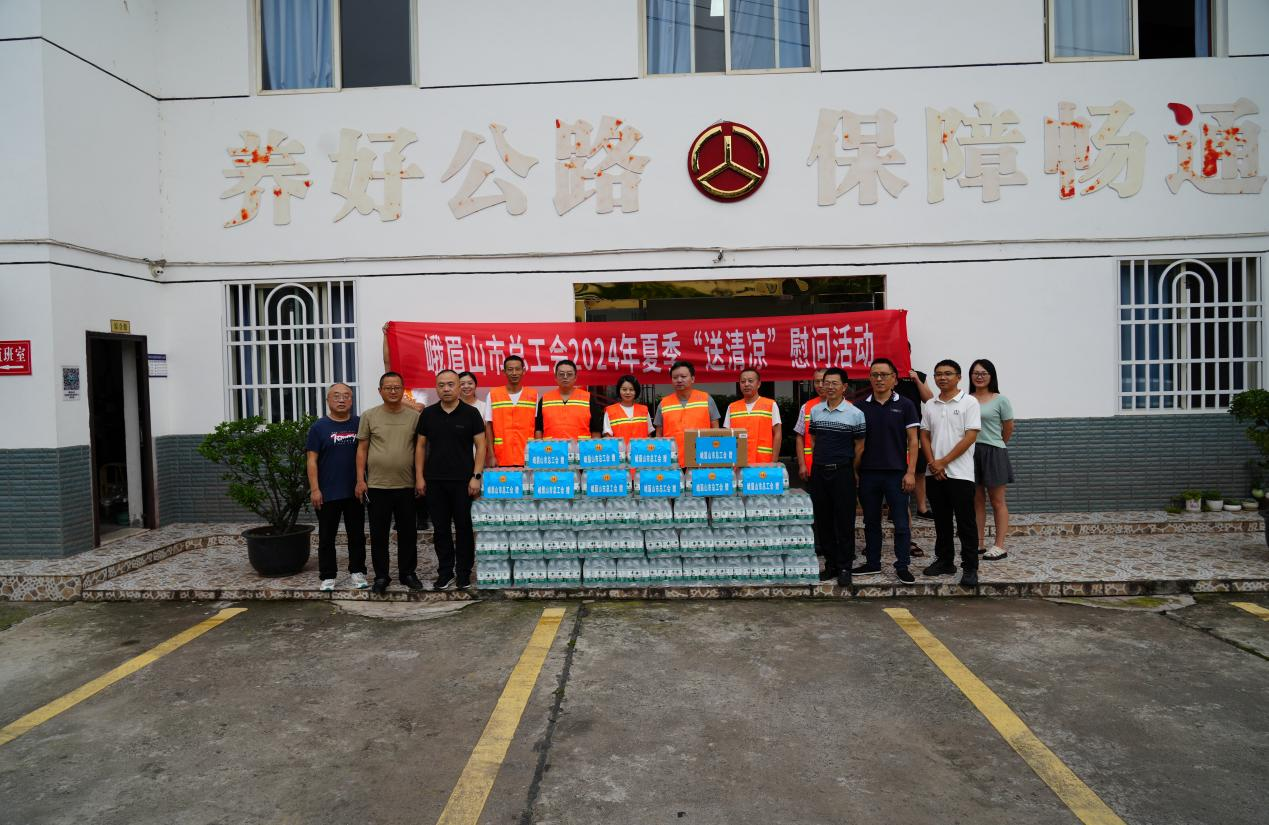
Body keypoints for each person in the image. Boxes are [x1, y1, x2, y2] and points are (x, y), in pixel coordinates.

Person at [415, 369, 487, 591]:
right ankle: (445, 572)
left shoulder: (471, 413)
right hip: (435, 481)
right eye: (441, 385)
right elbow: (420, 446)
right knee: (441, 529)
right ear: (436, 388)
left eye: (450, 384)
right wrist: (419, 477)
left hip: (463, 481)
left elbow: (481, 446)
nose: (446, 389)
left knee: (464, 528)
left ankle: (464, 573)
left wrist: (476, 477)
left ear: (458, 386)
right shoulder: (428, 414)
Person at [796, 367, 865, 587]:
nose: (830, 387)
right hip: (820, 471)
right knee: (823, 520)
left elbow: (860, 446)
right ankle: (831, 564)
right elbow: (814, 440)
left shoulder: (855, 413)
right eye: (827, 383)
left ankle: (845, 567)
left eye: (835, 383)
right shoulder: (816, 411)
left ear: (845, 387)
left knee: (844, 521)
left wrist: (851, 468)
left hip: (843, 472)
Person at [355, 371, 424, 595]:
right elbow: (362, 449)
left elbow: (420, 449)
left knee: (408, 534)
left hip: (406, 485)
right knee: (379, 535)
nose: (393, 391)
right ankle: (382, 576)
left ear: (403, 390)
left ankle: (408, 573)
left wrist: (419, 478)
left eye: (397, 387)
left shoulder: (414, 417)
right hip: (377, 486)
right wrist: (360, 480)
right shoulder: (369, 416)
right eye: (388, 388)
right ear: (380, 391)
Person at [854, 359, 919, 584]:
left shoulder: (906, 405)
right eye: (874, 375)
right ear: (869, 378)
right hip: (868, 474)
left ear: (894, 379)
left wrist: (911, 472)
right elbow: (857, 443)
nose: (879, 379)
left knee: (900, 524)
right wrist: (855, 471)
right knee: (871, 522)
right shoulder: (860, 407)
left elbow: (913, 441)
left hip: (897, 474)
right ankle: (872, 562)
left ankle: (902, 565)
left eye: (884, 374)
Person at [920, 359, 981, 588]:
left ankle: (970, 567)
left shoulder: (969, 402)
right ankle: (945, 561)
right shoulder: (930, 404)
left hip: (960, 474)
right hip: (934, 473)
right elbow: (924, 435)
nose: (942, 377)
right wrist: (932, 464)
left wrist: (943, 462)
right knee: (942, 521)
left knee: (966, 522)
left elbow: (970, 436)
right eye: (938, 374)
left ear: (958, 377)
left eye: (948, 373)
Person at [305, 383, 368, 592]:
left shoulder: (359, 423)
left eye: (346, 396)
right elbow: (311, 460)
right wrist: (315, 489)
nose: (341, 400)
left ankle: (357, 571)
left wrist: (362, 481)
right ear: (328, 400)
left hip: (354, 491)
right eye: (336, 396)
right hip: (327, 493)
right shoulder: (319, 427)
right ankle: (328, 575)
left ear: (352, 400)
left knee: (357, 535)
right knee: (326, 536)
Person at [969, 358, 1015, 561]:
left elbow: (1008, 427)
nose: (979, 376)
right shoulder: (966, 399)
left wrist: (997, 444)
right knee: (976, 500)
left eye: (983, 373)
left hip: (994, 452)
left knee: (997, 501)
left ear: (991, 376)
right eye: (976, 373)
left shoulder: (1000, 400)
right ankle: (979, 543)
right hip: (970, 452)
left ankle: (999, 545)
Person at [654, 360, 720, 468]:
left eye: (683, 376)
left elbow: (716, 430)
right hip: (672, 462)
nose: (679, 380)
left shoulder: (706, 399)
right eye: (675, 377)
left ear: (692, 379)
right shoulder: (664, 403)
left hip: (701, 460)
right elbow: (658, 434)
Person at [896, 345, 934, 520]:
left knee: (919, 470)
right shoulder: (887, 374)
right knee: (895, 468)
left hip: (914, 428)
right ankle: (895, 509)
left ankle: (922, 508)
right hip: (893, 429)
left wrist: (917, 380)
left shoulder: (918, 375)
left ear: (909, 352)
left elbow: (929, 399)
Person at [723, 367, 782, 465]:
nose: (746, 384)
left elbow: (778, 434)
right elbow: (727, 436)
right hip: (738, 463)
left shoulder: (771, 404)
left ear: (758, 384)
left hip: (764, 463)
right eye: (743, 381)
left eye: (750, 381)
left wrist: (774, 461)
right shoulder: (732, 407)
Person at [486, 355, 537, 467]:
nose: (514, 373)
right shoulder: (493, 394)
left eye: (517, 369)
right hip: (501, 456)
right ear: (504, 372)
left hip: (528, 455)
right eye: (510, 369)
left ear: (523, 371)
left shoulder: (533, 395)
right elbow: (489, 426)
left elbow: (537, 426)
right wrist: (491, 455)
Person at [535, 359, 603, 440]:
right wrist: (539, 447)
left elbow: (596, 430)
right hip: (551, 447)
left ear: (575, 377)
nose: (565, 377)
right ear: (555, 377)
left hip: (581, 447)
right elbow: (538, 429)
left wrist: (594, 448)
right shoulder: (545, 399)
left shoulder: (588, 398)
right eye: (561, 374)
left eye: (569, 374)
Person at [794, 368, 826, 482]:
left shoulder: (847, 407)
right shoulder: (806, 407)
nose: (820, 385)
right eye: (817, 382)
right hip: (811, 467)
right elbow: (799, 437)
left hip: (838, 468)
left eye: (823, 381)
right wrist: (801, 464)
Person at [602, 374, 653, 444]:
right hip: (619, 450)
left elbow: (649, 435)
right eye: (624, 389)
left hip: (641, 450)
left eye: (631, 389)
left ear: (636, 391)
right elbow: (607, 437)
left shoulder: (644, 410)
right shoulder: (610, 411)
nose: (628, 392)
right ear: (619, 390)